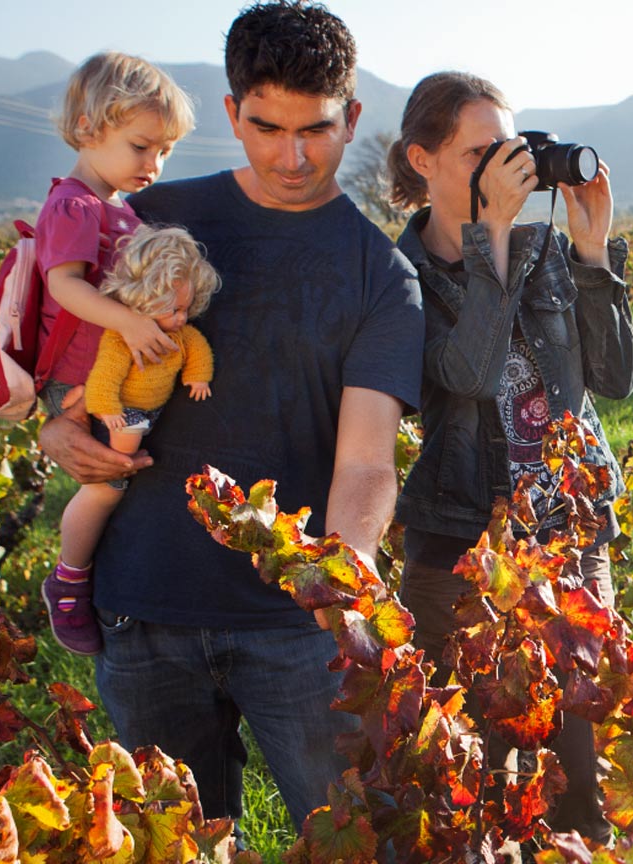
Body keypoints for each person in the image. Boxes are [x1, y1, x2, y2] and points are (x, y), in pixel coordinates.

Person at [36, 1, 423, 831]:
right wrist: (52, 423)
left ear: (352, 119)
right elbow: (67, 344)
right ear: (230, 113)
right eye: (266, 126)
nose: (292, 156)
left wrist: (343, 580)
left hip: (294, 628)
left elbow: (364, 463)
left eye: (316, 130)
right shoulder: (148, 218)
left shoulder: (379, 276)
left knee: (352, 845)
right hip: (143, 609)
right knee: (175, 849)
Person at [386, 70, 633, 842]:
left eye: (509, 149)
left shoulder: (547, 250)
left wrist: (594, 256)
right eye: (478, 152)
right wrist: (488, 235)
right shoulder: (402, 278)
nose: (505, 170)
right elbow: (469, 375)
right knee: (469, 761)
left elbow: (619, 378)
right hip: (460, 541)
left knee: (580, 754)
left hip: (568, 527)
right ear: (421, 159)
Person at [30, 51, 198, 656]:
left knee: (123, 479)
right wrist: (130, 323)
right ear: (86, 128)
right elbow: (64, 286)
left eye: (165, 152)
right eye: (141, 147)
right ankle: (68, 580)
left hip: (110, 373)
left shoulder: (117, 211)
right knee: (107, 484)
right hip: (82, 380)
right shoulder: (74, 205)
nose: (154, 165)